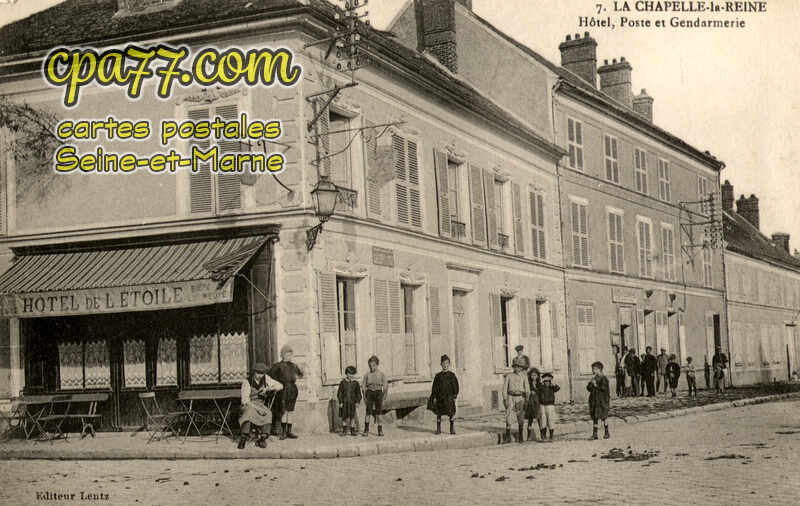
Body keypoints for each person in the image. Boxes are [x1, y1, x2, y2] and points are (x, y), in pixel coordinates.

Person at [238, 362, 283, 449]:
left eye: (262, 373)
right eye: (258, 373)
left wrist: (268, 389)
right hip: (249, 404)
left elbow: (280, 386)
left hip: (260, 404)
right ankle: (243, 437)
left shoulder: (266, 379)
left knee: (268, 413)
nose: (260, 375)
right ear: (254, 372)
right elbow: (245, 400)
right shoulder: (247, 382)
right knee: (248, 412)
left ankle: (262, 438)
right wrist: (257, 409)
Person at [268, 345, 304, 440]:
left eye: (290, 355)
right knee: (283, 410)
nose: (289, 356)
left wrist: (301, 370)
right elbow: (269, 377)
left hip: (293, 389)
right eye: (287, 354)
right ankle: (283, 432)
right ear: (282, 355)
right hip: (283, 390)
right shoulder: (277, 366)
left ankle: (289, 431)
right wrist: (276, 386)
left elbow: (300, 375)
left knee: (290, 411)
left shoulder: (293, 365)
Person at [502, 357, 530, 444]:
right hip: (511, 396)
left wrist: (527, 400)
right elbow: (504, 389)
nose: (517, 368)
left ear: (521, 367)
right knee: (509, 415)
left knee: (520, 416)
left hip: (520, 397)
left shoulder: (524, 376)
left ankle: (521, 435)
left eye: (518, 366)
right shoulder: (509, 376)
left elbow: (527, 389)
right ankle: (507, 437)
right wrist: (505, 399)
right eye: (515, 366)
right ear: (513, 367)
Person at [430, 354, 459, 435]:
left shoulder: (452, 375)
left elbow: (455, 386)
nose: (445, 365)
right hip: (440, 398)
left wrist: (455, 395)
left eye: (446, 363)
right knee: (439, 414)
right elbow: (434, 388)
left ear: (449, 364)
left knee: (451, 413)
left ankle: (452, 429)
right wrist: (434, 397)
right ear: (441, 365)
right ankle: (438, 429)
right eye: (443, 364)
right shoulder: (438, 376)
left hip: (449, 398)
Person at [362, 355, 388, 437]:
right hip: (369, 392)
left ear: (377, 365)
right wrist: (364, 397)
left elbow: (386, 387)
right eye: (370, 365)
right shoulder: (367, 375)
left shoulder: (381, 374)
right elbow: (363, 387)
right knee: (368, 412)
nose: (371, 367)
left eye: (373, 365)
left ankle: (380, 430)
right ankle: (366, 430)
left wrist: (384, 397)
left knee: (379, 412)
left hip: (378, 393)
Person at [586, 361, 610, 440]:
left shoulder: (604, 378)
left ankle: (606, 432)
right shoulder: (594, 378)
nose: (592, 371)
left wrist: (595, 384)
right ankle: (595, 434)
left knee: (604, 416)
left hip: (602, 400)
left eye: (594, 369)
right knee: (595, 417)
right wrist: (591, 384)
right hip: (594, 400)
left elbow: (603, 389)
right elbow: (588, 388)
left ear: (599, 369)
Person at [337, 365, 362, 437]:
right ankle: (344, 430)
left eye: (352, 374)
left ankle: (352, 430)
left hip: (352, 402)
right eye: (349, 373)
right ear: (346, 374)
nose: (351, 375)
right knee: (344, 417)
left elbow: (358, 394)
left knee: (352, 416)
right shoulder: (342, 383)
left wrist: (357, 402)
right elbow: (339, 393)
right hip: (344, 402)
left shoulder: (355, 383)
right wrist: (340, 402)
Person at [538, 371, 560, 441]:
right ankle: (543, 436)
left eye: (548, 381)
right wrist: (541, 383)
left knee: (550, 419)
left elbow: (557, 388)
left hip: (550, 405)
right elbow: (538, 388)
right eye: (545, 381)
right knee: (543, 420)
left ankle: (551, 436)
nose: (547, 382)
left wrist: (553, 384)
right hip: (542, 405)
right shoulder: (541, 387)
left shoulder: (552, 387)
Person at [525, 367, 541, 441]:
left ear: (537, 376)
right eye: (532, 375)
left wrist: (536, 391)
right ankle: (529, 436)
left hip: (537, 402)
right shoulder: (528, 384)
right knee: (530, 419)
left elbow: (541, 393)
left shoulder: (539, 384)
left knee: (539, 418)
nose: (533, 377)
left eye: (535, 375)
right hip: (530, 403)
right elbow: (526, 391)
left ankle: (542, 435)